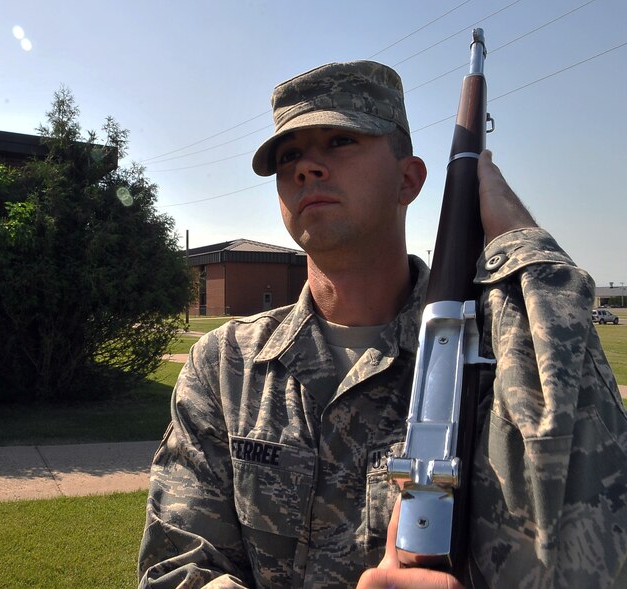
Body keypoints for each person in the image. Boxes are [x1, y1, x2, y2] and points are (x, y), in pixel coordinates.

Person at [137, 61, 627, 588]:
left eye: (341, 141)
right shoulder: (226, 365)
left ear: (409, 179)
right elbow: (177, 568)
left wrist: (517, 238)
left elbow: (592, 533)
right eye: (289, 156)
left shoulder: (491, 356)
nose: (307, 168)